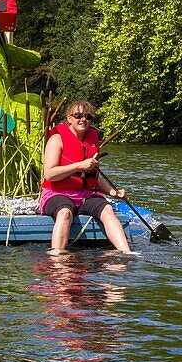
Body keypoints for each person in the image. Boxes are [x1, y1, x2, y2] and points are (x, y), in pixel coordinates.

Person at [40, 100, 133, 254]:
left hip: (86, 194)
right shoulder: (57, 139)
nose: (83, 119)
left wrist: (113, 193)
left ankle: (126, 253)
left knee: (108, 210)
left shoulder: (93, 139)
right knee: (64, 213)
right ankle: (57, 256)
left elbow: (95, 176)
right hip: (57, 193)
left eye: (87, 116)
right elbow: (50, 174)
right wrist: (78, 165)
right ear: (69, 118)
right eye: (78, 115)